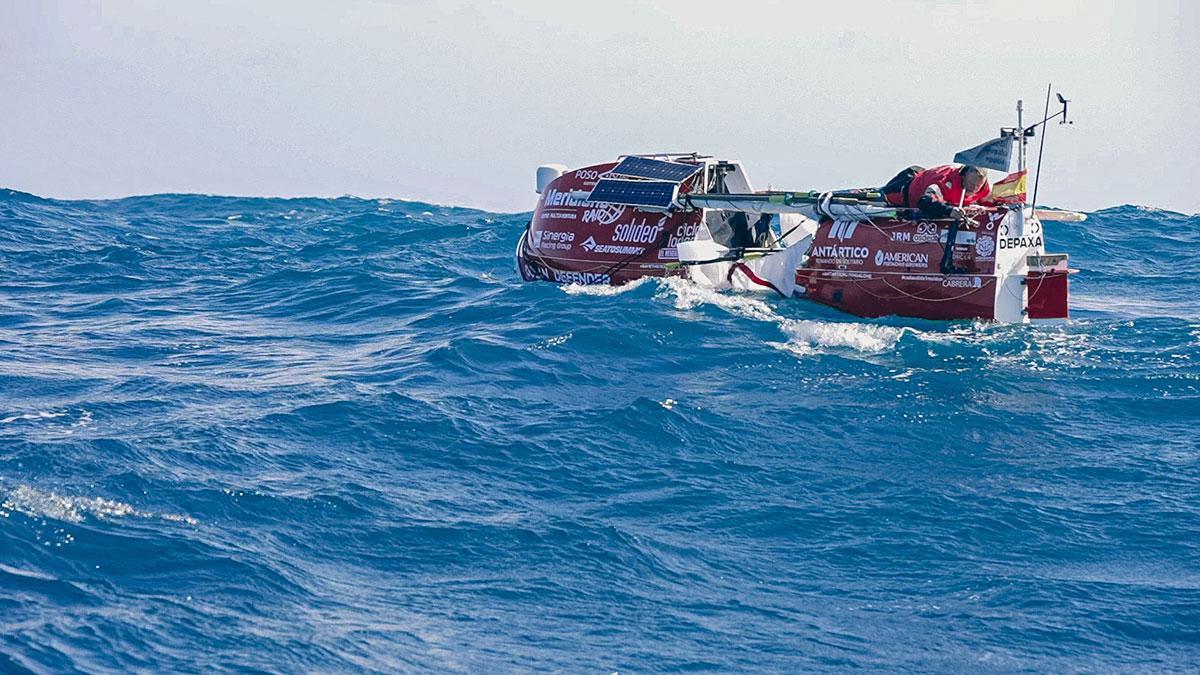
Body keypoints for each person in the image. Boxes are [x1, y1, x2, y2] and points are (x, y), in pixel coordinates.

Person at [882, 164, 990, 219]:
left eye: (978, 187)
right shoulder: (944, 182)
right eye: (971, 184)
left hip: (926, 180)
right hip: (903, 190)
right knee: (879, 197)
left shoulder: (983, 189)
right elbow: (925, 201)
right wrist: (949, 211)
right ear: (964, 175)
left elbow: (993, 201)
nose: (973, 189)